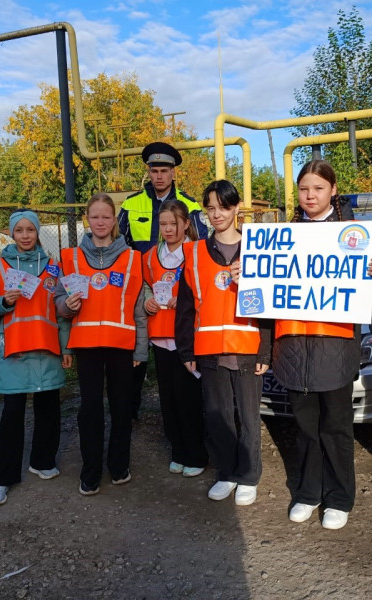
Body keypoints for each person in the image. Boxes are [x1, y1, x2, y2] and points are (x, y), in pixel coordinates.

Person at [272, 160, 372, 530]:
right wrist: (248, 275)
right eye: (304, 188)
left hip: (334, 348)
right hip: (294, 349)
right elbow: (265, 292)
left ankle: (338, 497)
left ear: (333, 190)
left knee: (335, 427)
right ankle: (307, 492)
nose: (310, 195)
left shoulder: (352, 236)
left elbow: (370, 297)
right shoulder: (282, 237)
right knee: (304, 427)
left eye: (318, 188)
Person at [175, 180, 271, 506]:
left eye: (223, 207)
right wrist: (186, 349)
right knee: (218, 417)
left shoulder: (259, 250)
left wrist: (266, 349)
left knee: (247, 415)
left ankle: (248, 475)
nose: (216, 214)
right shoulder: (195, 253)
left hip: (247, 348)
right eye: (210, 208)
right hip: (209, 350)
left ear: (237, 207)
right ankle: (227, 473)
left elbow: (272, 306)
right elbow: (186, 307)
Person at [0, 210, 73, 506]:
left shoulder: (54, 268)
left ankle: (42, 461)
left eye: (30, 229)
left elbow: (61, 312)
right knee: (12, 415)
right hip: (14, 351)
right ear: (11, 234)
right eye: (19, 230)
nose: (25, 235)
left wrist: (67, 347)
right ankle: (2, 479)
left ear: (37, 232)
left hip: (47, 350)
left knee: (48, 410)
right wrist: (3, 301)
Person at [59, 193, 148, 496]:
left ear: (114, 221)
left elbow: (138, 307)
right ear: (87, 218)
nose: (100, 222)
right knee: (90, 409)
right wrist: (67, 307)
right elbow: (60, 304)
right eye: (94, 216)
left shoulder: (133, 258)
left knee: (122, 408)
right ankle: (90, 472)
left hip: (122, 346)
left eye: (106, 217)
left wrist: (140, 348)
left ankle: (119, 466)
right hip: (87, 347)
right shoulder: (70, 257)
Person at [118, 142, 208, 420]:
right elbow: (120, 246)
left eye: (164, 171)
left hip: (179, 296)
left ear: (172, 173)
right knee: (137, 353)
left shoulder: (190, 205)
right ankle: (129, 413)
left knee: (180, 366)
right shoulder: (131, 205)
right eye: (154, 170)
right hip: (143, 291)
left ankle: (191, 417)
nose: (159, 176)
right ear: (148, 171)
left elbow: (201, 247)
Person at [142, 200, 208, 478]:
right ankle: (178, 450)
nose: (168, 229)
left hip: (186, 338)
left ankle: (197, 453)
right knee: (167, 398)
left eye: (174, 224)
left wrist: (182, 300)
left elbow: (203, 290)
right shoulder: (149, 256)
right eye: (164, 224)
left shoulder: (196, 253)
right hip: (160, 337)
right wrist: (147, 301)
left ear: (186, 225)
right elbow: (144, 284)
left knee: (188, 398)